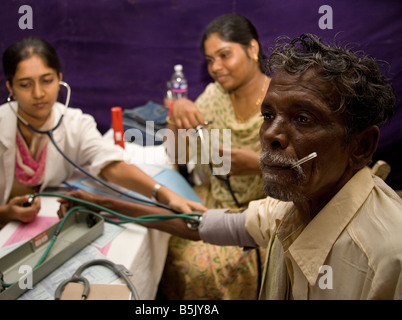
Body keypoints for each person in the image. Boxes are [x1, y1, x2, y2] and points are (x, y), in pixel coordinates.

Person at [58, 33, 402, 299]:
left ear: (361, 146)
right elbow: (196, 212)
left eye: (302, 118)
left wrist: (249, 164)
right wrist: (101, 202)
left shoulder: (388, 259)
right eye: (268, 116)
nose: (270, 134)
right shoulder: (289, 208)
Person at [0, 36, 205, 236]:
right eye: (25, 84)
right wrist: (3, 212)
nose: (38, 93)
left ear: (60, 79)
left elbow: (110, 164)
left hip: (37, 229)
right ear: (10, 87)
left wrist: (165, 195)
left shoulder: (75, 122)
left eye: (47, 80)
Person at [160, 14, 269, 299]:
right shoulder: (214, 97)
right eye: (210, 60)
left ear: (252, 49)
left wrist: (260, 166)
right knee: (166, 235)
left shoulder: (281, 101)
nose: (216, 67)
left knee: (203, 271)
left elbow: (311, 170)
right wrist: (177, 112)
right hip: (217, 199)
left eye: (224, 55)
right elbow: (177, 153)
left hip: (265, 214)